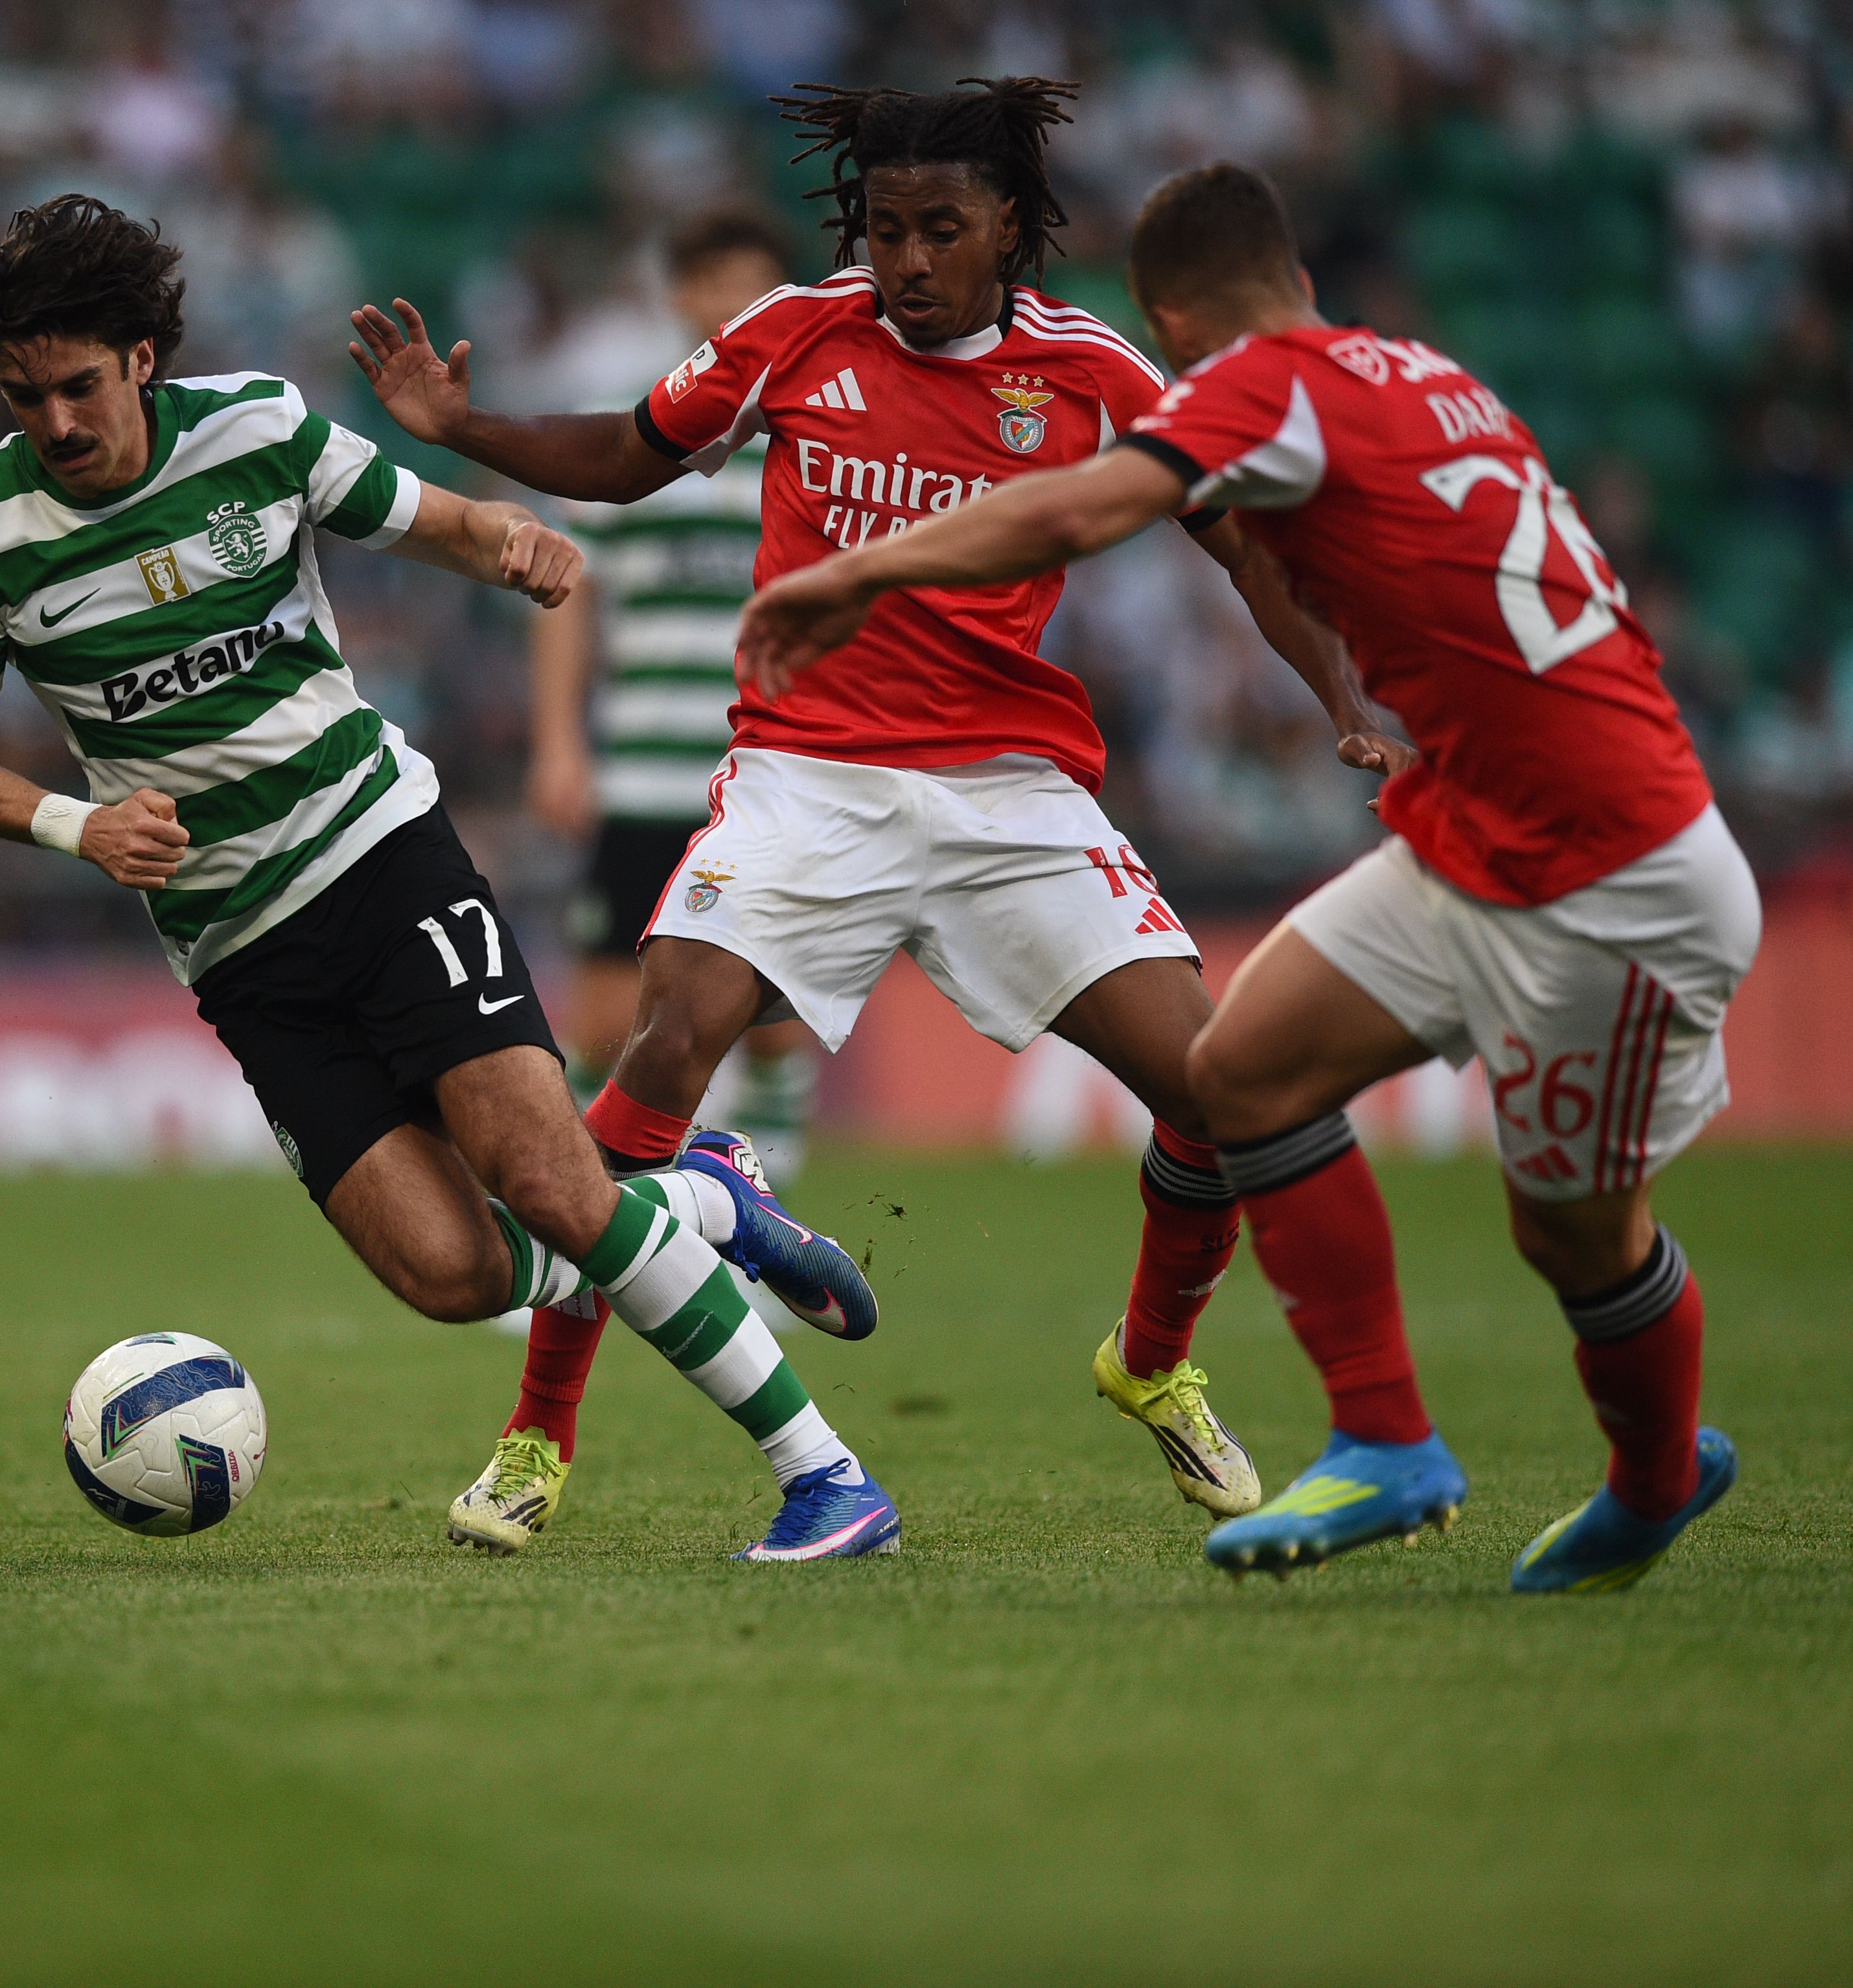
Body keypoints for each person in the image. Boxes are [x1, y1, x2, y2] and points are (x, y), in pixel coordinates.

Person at [350, 80, 1399, 1553]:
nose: (906, 260)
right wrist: (465, 425)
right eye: (885, 228)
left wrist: (1343, 691)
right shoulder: (796, 331)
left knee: (1222, 1096)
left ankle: (1153, 1359)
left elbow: (1248, 553)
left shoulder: (1092, 368)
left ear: (1011, 228)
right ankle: (537, 1435)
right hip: (810, 773)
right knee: (663, 1048)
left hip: (1009, 791)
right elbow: (629, 456)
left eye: (940, 230)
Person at [741, 161, 1755, 1593]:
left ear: (1172, 326)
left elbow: (1077, 509)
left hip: (1617, 872)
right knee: (1242, 1073)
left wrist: (860, 573)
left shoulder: (1263, 384)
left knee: (1574, 1230)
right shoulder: (1421, 374)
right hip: (1477, 833)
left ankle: (1652, 1482)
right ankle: (1385, 1440)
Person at [0, 194, 898, 1560]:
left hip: (380, 858)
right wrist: (80, 826)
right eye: (26, 397)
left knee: (550, 1182)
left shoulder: (256, 430)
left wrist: (513, 543)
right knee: (451, 1275)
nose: (58, 422)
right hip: (240, 954)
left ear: (142, 355)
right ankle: (704, 1199)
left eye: (80, 385)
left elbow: (428, 519)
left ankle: (827, 1478)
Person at [529, 209, 821, 1183]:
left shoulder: (820, 440)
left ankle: (771, 1218)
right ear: (683, 296)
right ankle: (588, 1219)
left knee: (775, 1025)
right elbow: (567, 596)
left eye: (756, 285)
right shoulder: (632, 433)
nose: (736, 303)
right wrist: (558, 745)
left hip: (773, 777)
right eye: (717, 282)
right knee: (605, 1026)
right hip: (646, 772)